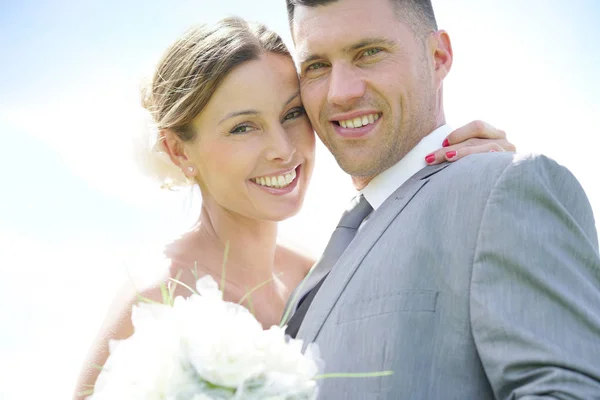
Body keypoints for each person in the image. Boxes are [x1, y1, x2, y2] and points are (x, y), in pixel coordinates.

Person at [73, 16, 515, 399]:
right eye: (244, 127)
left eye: (291, 114)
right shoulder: (154, 297)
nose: (282, 150)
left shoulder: (317, 271)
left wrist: (463, 174)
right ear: (178, 151)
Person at [282, 0, 600, 398]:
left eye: (369, 53)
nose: (341, 93)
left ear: (438, 56)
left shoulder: (504, 189)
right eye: (316, 66)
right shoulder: (325, 256)